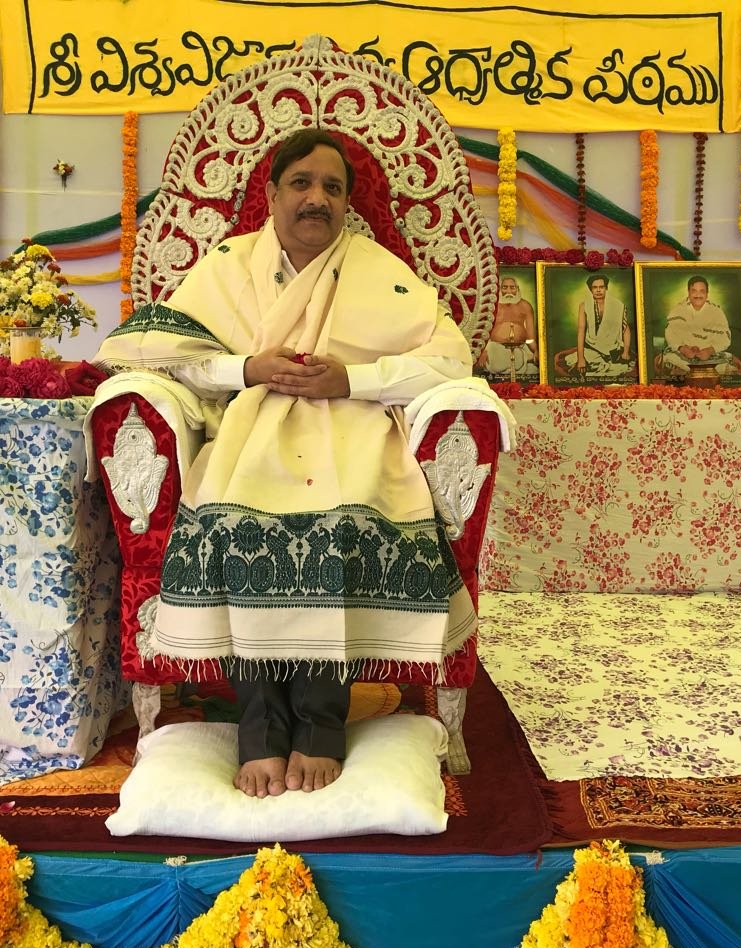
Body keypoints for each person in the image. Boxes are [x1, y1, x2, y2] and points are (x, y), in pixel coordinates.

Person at [93, 129, 476, 799]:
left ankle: (320, 728)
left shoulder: (376, 273)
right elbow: (152, 350)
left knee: (335, 528)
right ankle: (261, 733)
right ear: (271, 195)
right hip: (245, 438)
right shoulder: (227, 268)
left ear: (348, 205)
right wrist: (247, 368)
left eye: (332, 187)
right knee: (237, 531)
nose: (315, 199)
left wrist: (351, 380)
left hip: (349, 435)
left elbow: (448, 360)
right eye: (301, 183)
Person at [660, 275, 739, 376]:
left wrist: (709, 351)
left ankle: (687, 371)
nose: (698, 295)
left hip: (710, 356)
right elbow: (671, 334)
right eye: (694, 291)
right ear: (688, 292)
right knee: (669, 358)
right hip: (684, 355)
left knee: (728, 363)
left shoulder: (716, 312)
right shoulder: (678, 309)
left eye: (702, 291)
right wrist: (683, 349)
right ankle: (688, 370)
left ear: (707, 294)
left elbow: (724, 338)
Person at [477, 275, 537, 378]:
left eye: (512, 287)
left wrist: (536, 351)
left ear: (517, 289)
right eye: (505, 287)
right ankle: (526, 359)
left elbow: (530, 338)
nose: (508, 291)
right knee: (493, 356)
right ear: (500, 289)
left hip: (520, 347)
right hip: (494, 347)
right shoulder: (492, 305)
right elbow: (483, 331)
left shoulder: (525, 306)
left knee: (535, 369)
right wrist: (484, 350)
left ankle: (523, 358)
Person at [573, 273, 632, 379]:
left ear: (606, 288)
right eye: (595, 287)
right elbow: (581, 331)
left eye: (601, 287)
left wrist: (626, 351)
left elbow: (625, 329)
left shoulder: (618, 305)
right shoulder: (584, 306)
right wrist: (581, 358)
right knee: (575, 362)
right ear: (591, 289)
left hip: (613, 348)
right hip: (591, 347)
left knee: (619, 368)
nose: (598, 290)